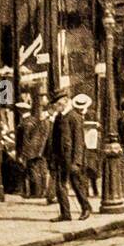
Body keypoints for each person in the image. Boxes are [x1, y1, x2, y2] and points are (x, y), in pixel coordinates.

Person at [48, 89, 91, 221]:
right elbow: (54, 140)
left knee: (77, 184)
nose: (56, 106)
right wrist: (53, 157)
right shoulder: (58, 118)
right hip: (60, 158)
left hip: (72, 159)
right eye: (55, 104)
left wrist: (77, 162)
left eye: (58, 103)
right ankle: (65, 213)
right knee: (60, 186)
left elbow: (79, 142)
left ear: (65, 101)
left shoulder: (74, 117)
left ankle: (85, 208)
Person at [18, 98, 51, 200]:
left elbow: (25, 139)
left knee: (32, 171)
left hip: (30, 150)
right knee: (38, 171)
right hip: (37, 150)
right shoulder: (34, 120)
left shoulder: (25, 123)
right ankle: (40, 191)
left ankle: (35, 192)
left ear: (21, 111)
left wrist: (22, 153)